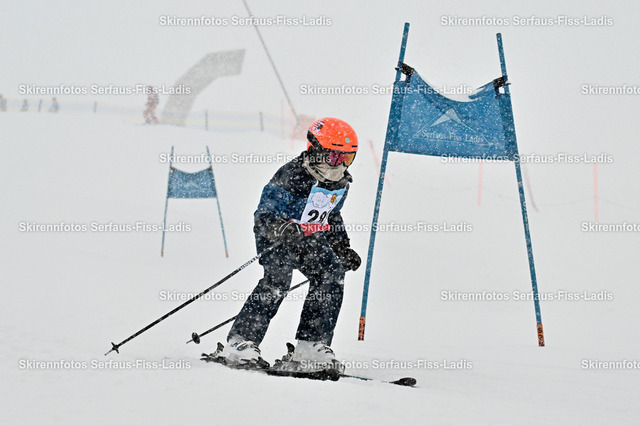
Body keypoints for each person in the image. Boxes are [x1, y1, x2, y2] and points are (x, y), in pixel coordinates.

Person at [216, 117, 362, 372]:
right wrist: (281, 228)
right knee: (278, 280)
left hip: (309, 238)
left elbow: (331, 216)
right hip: (277, 237)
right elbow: (263, 214)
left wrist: (341, 247)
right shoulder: (291, 175)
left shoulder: (340, 183)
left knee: (332, 273)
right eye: (333, 157)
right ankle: (240, 342)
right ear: (315, 151)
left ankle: (311, 345)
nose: (339, 165)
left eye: (347, 158)